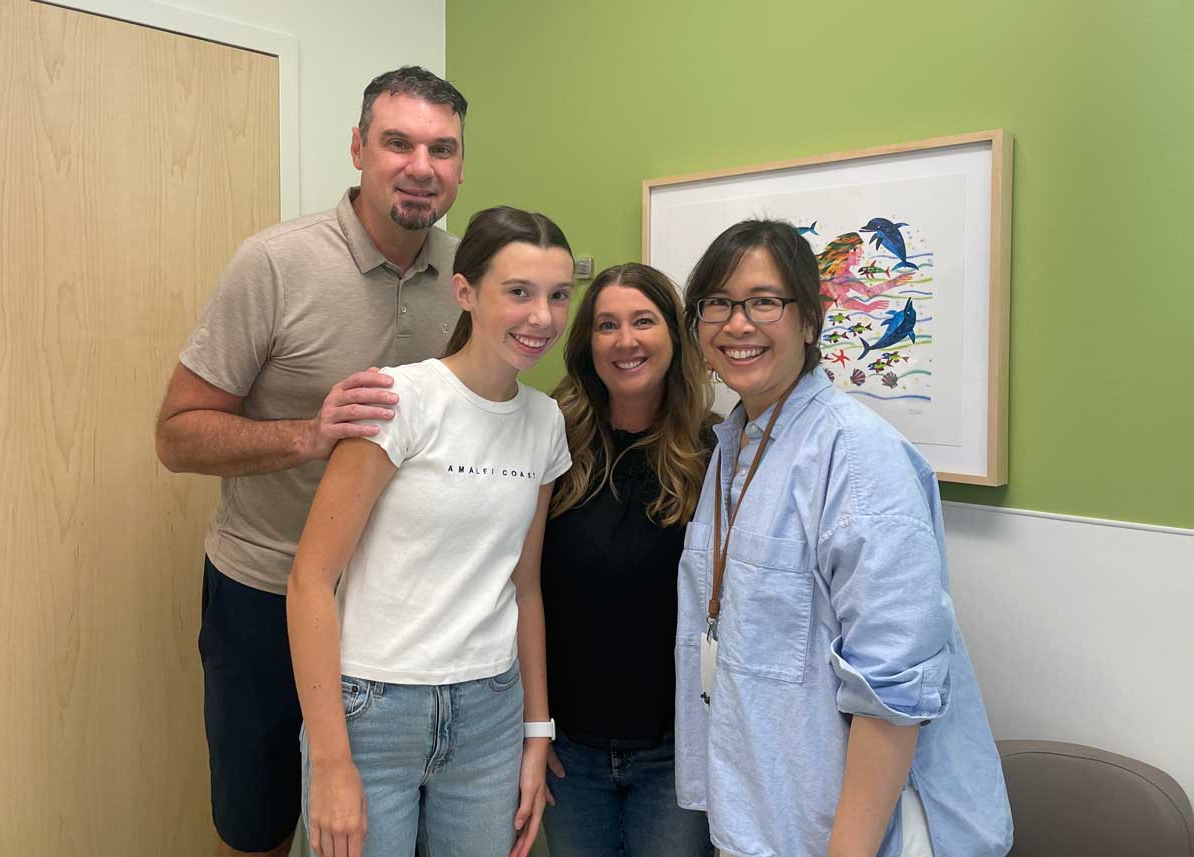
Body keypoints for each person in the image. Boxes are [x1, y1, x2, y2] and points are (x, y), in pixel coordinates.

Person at [154, 66, 467, 857]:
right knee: (260, 825)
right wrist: (308, 433)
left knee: (368, 830)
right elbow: (178, 434)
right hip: (264, 593)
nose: (420, 166)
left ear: (460, 166)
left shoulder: (470, 280)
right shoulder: (275, 263)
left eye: (442, 148)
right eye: (398, 142)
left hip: (398, 609)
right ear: (359, 147)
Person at [674, 220, 1013, 857]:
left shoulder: (858, 457)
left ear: (809, 321)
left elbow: (895, 691)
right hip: (761, 813)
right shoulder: (734, 444)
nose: (737, 324)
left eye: (764, 301)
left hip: (848, 835)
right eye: (715, 304)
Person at [288, 205, 575, 857]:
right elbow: (309, 579)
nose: (543, 317)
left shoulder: (545, 422)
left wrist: (537, 732)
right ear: (466, 292)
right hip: (371, 710)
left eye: (559, 296)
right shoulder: (398, 399)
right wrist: (331, 762)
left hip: (489, 713)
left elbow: (524, 587)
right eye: (519, 292)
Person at [540, 263, 716, 857]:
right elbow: (519, 591)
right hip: (568, 751)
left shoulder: (716, 452)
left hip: (676, 752)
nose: (626, 341)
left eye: (644, 321)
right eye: (607, 325)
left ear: (675, 335)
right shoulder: (550, 441)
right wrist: (532, 731)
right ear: (587, 344)